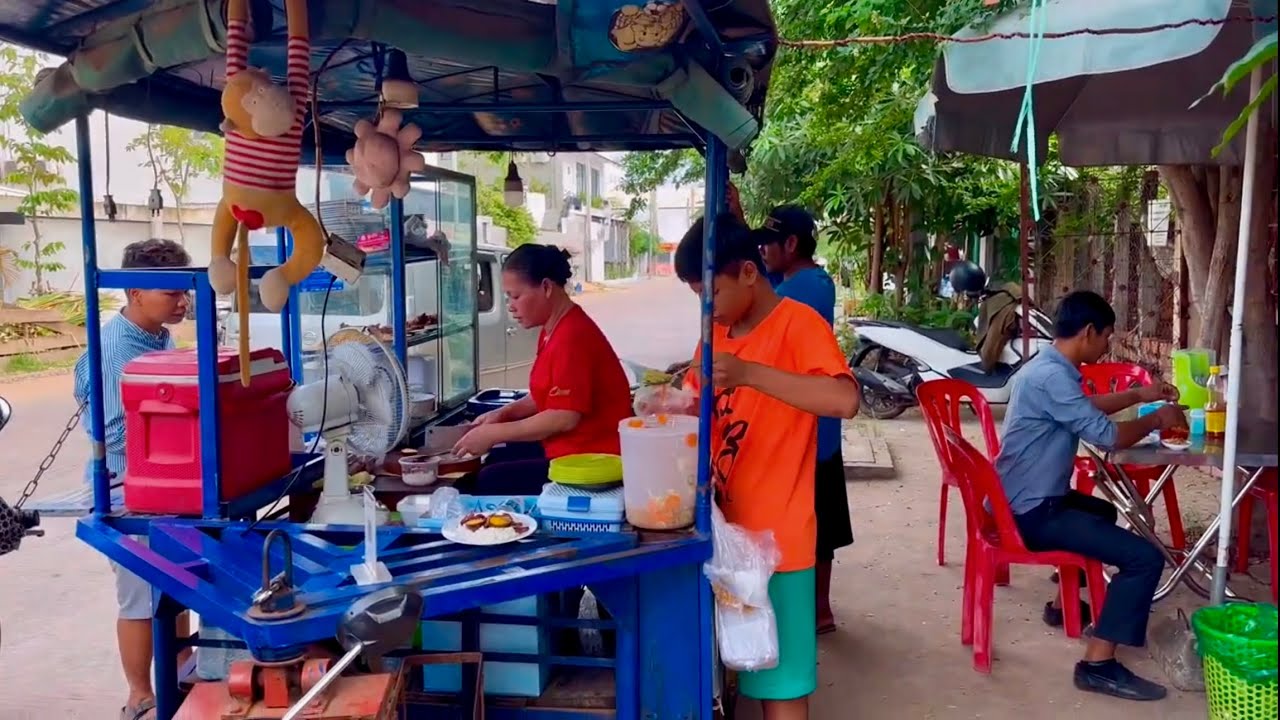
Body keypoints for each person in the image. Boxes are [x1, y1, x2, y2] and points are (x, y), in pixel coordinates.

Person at [675, 213, 859, 720]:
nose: (705, 306)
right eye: (696, 295)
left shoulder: (798, 325)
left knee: (781, 686)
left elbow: (844, 400)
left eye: (710, 291)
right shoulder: (713, 332)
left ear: (749, 273)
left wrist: (752, 373)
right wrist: (668, 405)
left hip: (779, 544)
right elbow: (695, 405)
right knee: (730, 670)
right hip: (719, 533)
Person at [995, 290, 1185, 702]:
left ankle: (1061, 603)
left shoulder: (1049, 367)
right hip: (1030, 513)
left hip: (1019, 499)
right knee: (1143, 558)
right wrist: (1157, 418)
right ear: (1088, 332)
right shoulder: (1051, 376)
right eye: (1106, 337)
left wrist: (1138, 395)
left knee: (1100, 510)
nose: (1106, 345)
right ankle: (1097, 665)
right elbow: (1109, 437)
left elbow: (1081, 406)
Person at [72, 238, 194, 720]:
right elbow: (113, 430)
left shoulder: (157, 336)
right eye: (172, 293)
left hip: (166, 483)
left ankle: (182, 666)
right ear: (136, 291)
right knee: (141, 596)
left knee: (179, 582)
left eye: (185, 290)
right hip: (126, 487)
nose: (183, 301)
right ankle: (141, 695)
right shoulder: (115, 350)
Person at [454, 243, 633, 495]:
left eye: (516, 296)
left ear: (547, 287)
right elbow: (546, 395)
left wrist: (493, 433)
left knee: (488, 479)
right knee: (495, 458)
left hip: (592, 462)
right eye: (507, 298)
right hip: (566, 449)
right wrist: (502, 415)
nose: (510, 306)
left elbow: (564, 416)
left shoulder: (573, 336)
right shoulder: (553, 329)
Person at [752, 205, 853, 635]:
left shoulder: (808, 286)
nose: (761, 251)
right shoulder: (788, 281)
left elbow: (759, 307)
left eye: (768, 244)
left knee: (819, 523)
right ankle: (815, 607)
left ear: (791, 245)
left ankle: (818, 609)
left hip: (814, 426)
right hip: (805, 421)